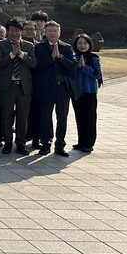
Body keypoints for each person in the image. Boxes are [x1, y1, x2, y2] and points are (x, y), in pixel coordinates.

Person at [33, 21, 78, 156]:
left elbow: (72, 65)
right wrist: (51, 58)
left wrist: (59, 57)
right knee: (45, 116)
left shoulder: (67, 47)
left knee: (62, 117)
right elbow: (36, 66)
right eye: (50, 31)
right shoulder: (39, 47)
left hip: (62, 88)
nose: (52, 33)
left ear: (59, 32)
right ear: (45, 33)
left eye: (55, 31)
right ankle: (45, 143)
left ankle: (60, 144)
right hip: (46, 87)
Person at [0, 19, 37, 155]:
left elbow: (33, 63)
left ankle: (20, 143)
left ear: (21, 31)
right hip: (7, 86)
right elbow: (0, 63)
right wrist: (13, 54)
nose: (14, 33)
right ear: (7, 31)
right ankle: (7, 143)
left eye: (17, 31)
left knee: (22, 116)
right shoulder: (1, 45)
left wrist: (21, 54)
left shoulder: (29, 46)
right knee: (6, 115)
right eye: (11, 31)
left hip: (23, 86)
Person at [71, 33, 102, 153]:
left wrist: (84, 68)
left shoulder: (94, 58)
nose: (82, 46)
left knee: (89, 118)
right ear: (76, 45)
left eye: (85, 43)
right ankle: (81, 141)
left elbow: (97, 74)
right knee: (79, 117)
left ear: (89, 44)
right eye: (80, 43)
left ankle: (89, 143)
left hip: (89, 92)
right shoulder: (74, 57)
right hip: (77, 92)